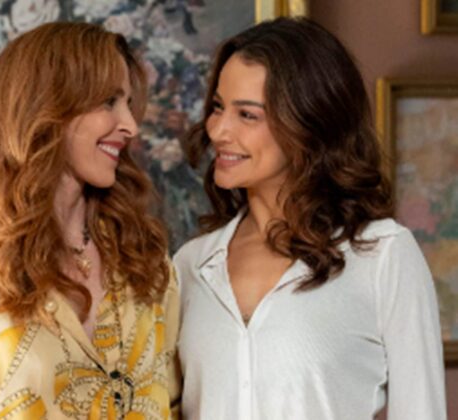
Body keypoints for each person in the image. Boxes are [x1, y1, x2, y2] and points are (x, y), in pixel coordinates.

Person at [173, 17, 446, 420]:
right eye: (217, 107)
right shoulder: (190, 265)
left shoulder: (382, 256)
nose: (218, 131)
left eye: (247, 115)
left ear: (306, 123)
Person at [0, 22, 181, 419]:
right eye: (109, 101)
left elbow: (172, 406)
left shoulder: (146, 260)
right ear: (46, 107)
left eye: (128, 103)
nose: (130, 125)